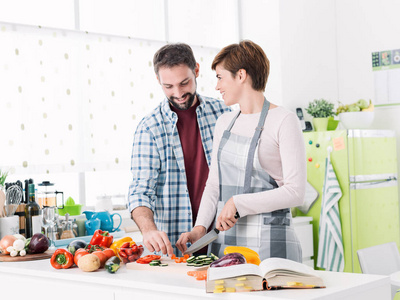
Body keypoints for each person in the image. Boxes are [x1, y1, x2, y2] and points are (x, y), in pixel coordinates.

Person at [176, 40, 306, 262]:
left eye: (220, 77)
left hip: (271, 245)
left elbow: (296, 192)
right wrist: (200, 227)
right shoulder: (224, 122)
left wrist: (238, 203)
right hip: (226, 242)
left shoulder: (284, 120)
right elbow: (214, 184)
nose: (217, 86)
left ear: (241, 75)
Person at [128, 43, 231, 256]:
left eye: (184, 83)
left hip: (225, 240)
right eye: (168, 86)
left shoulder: (223, 113)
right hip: (176, 249)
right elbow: (140, 191)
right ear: (158, 81)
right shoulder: (150, 128)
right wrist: (149, 230)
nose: (178, 93)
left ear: (196, 71)